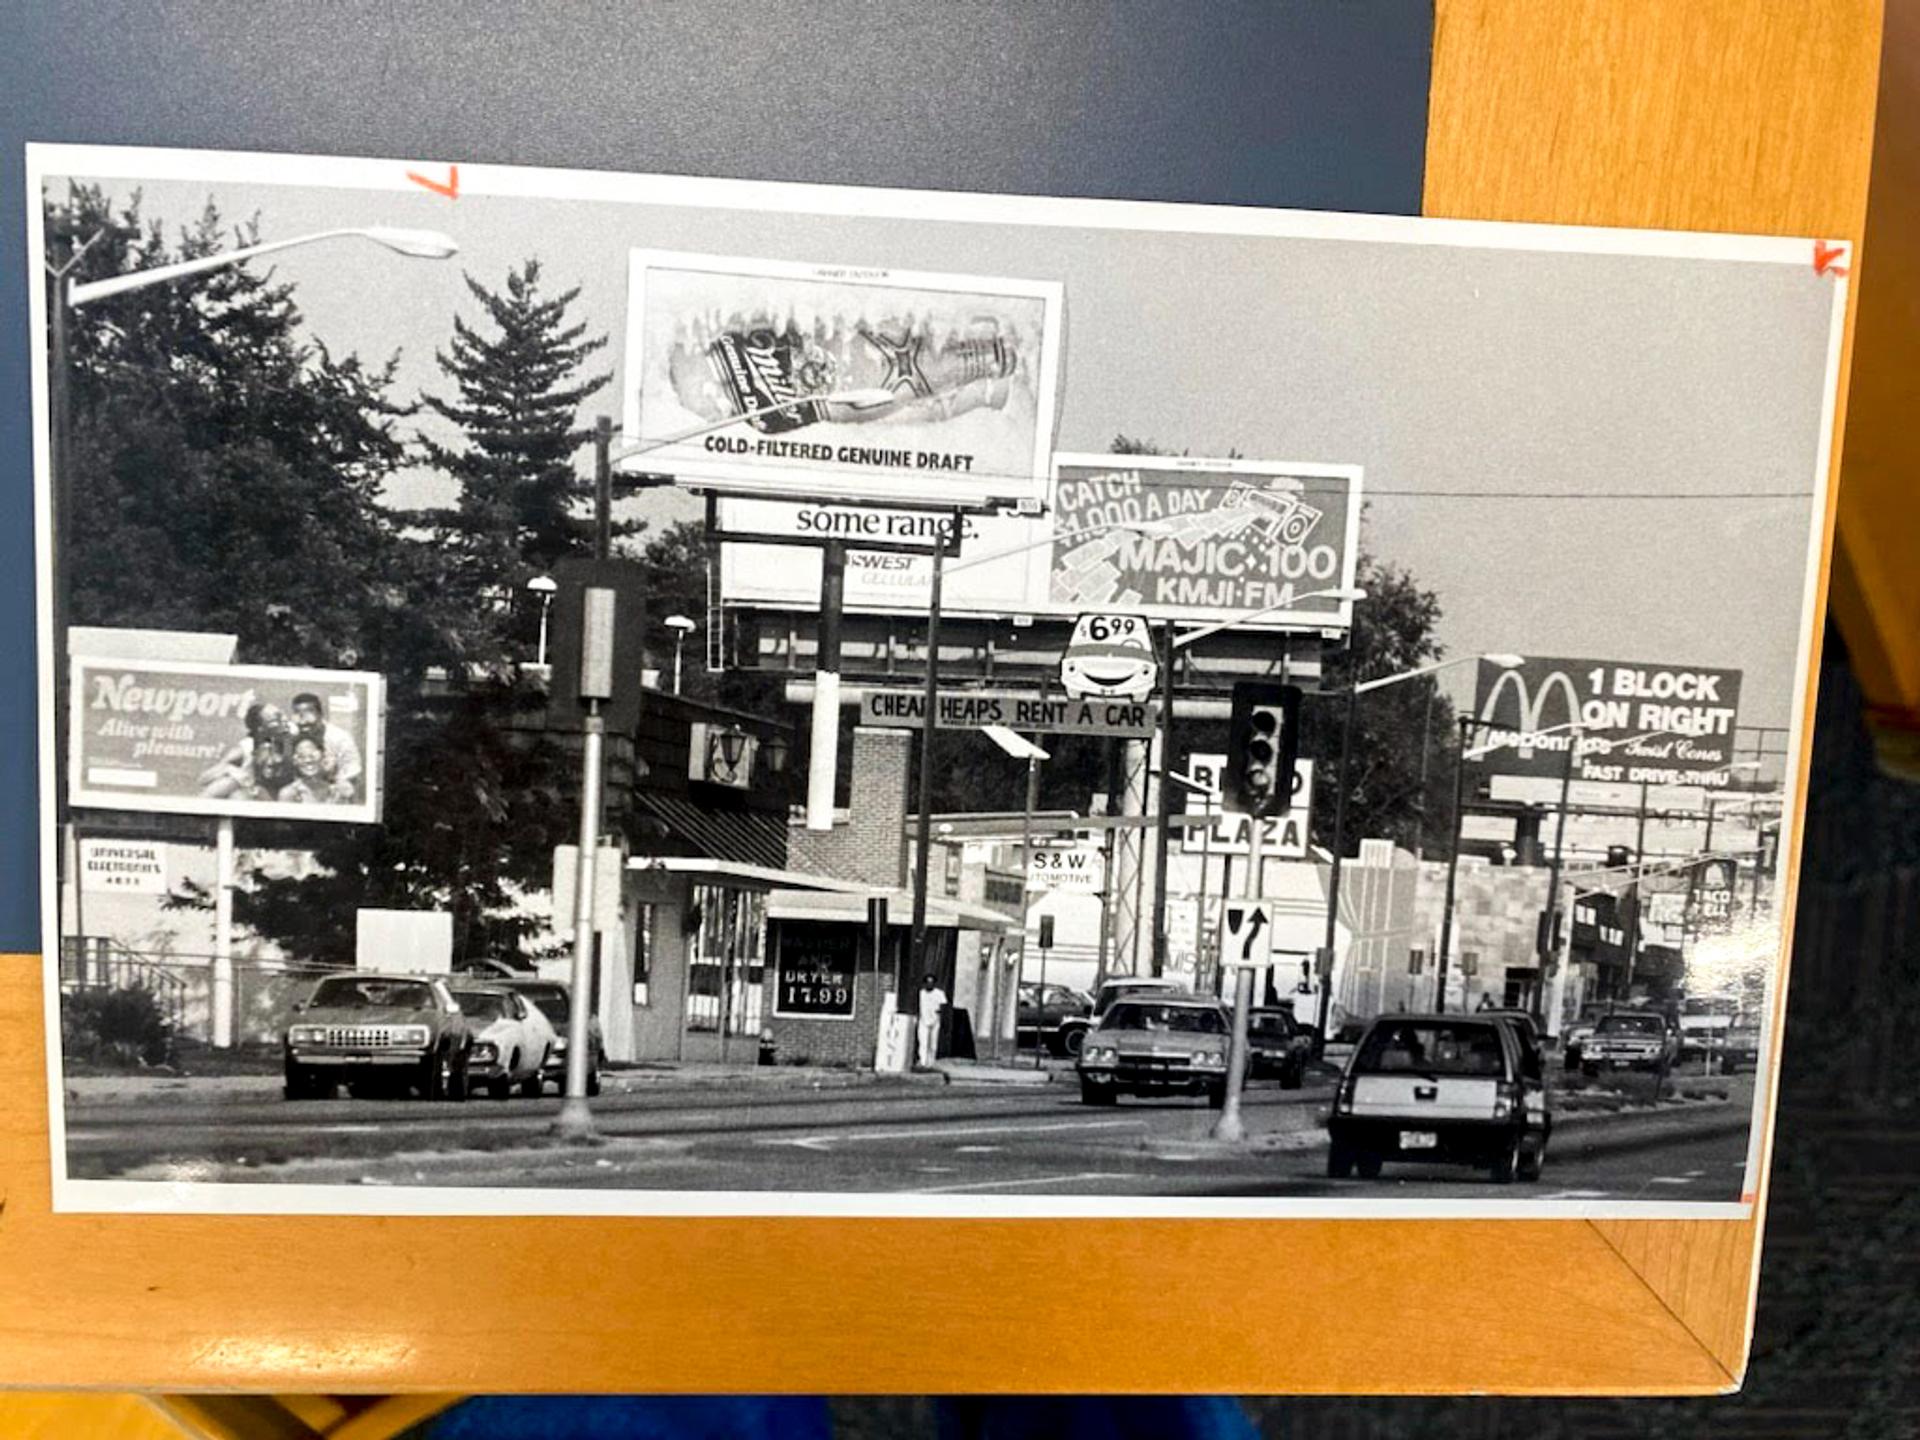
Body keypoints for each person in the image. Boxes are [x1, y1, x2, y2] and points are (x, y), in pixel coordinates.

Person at [289, 691, 363, 802]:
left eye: (309, 712)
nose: (302, 720)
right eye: (297, 713)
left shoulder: (339, 737)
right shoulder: (293, 735)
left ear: (320, 714)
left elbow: (353, 771)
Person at [916, 973, 948, 1068]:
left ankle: (930, 1062)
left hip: (935, 1020)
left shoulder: (939, 993)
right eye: (927, 982)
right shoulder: (921, 993)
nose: (929, 984)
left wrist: (940, 1012)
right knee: (923, 1041)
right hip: (923, 1019)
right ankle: (923, 1062)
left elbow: (943, 1006)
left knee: (933, 1042)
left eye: (931, 982)